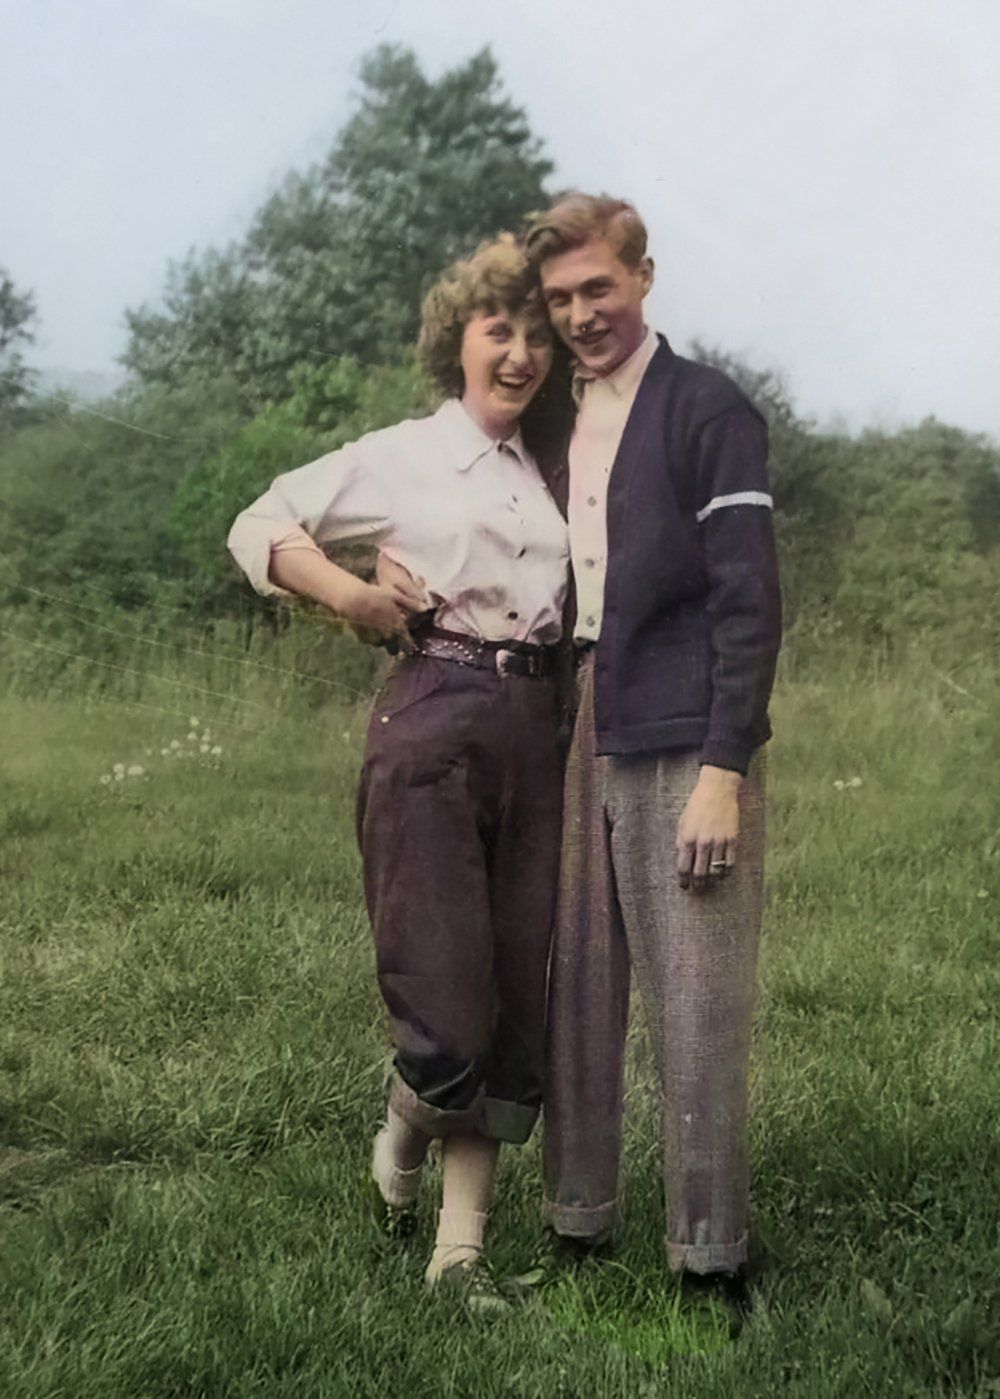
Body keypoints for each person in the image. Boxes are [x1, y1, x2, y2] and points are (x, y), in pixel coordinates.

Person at [227, 235, 572, 1299]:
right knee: (442, 985)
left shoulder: (551, 466)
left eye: (536, 335)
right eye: (496, 330)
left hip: (539, 725)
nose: (518, 354)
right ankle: (404, 1121)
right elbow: (260, 523)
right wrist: (353, 599)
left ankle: (457, 1259)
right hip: (433, 714)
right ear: (456, 340)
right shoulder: (405, 454)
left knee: (519, 990)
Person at [523, 194, 782, 1314]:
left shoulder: (708, 411)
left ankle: (709, 1257)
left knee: (697, 996)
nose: (582, 314)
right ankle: (578, 1223)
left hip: (686, 734)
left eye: (599, 288)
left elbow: (749, 604)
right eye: (561, 298)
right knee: (575, 987)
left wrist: (726, 767)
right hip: (580, 718)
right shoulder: (552, 418)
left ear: (643, 276)